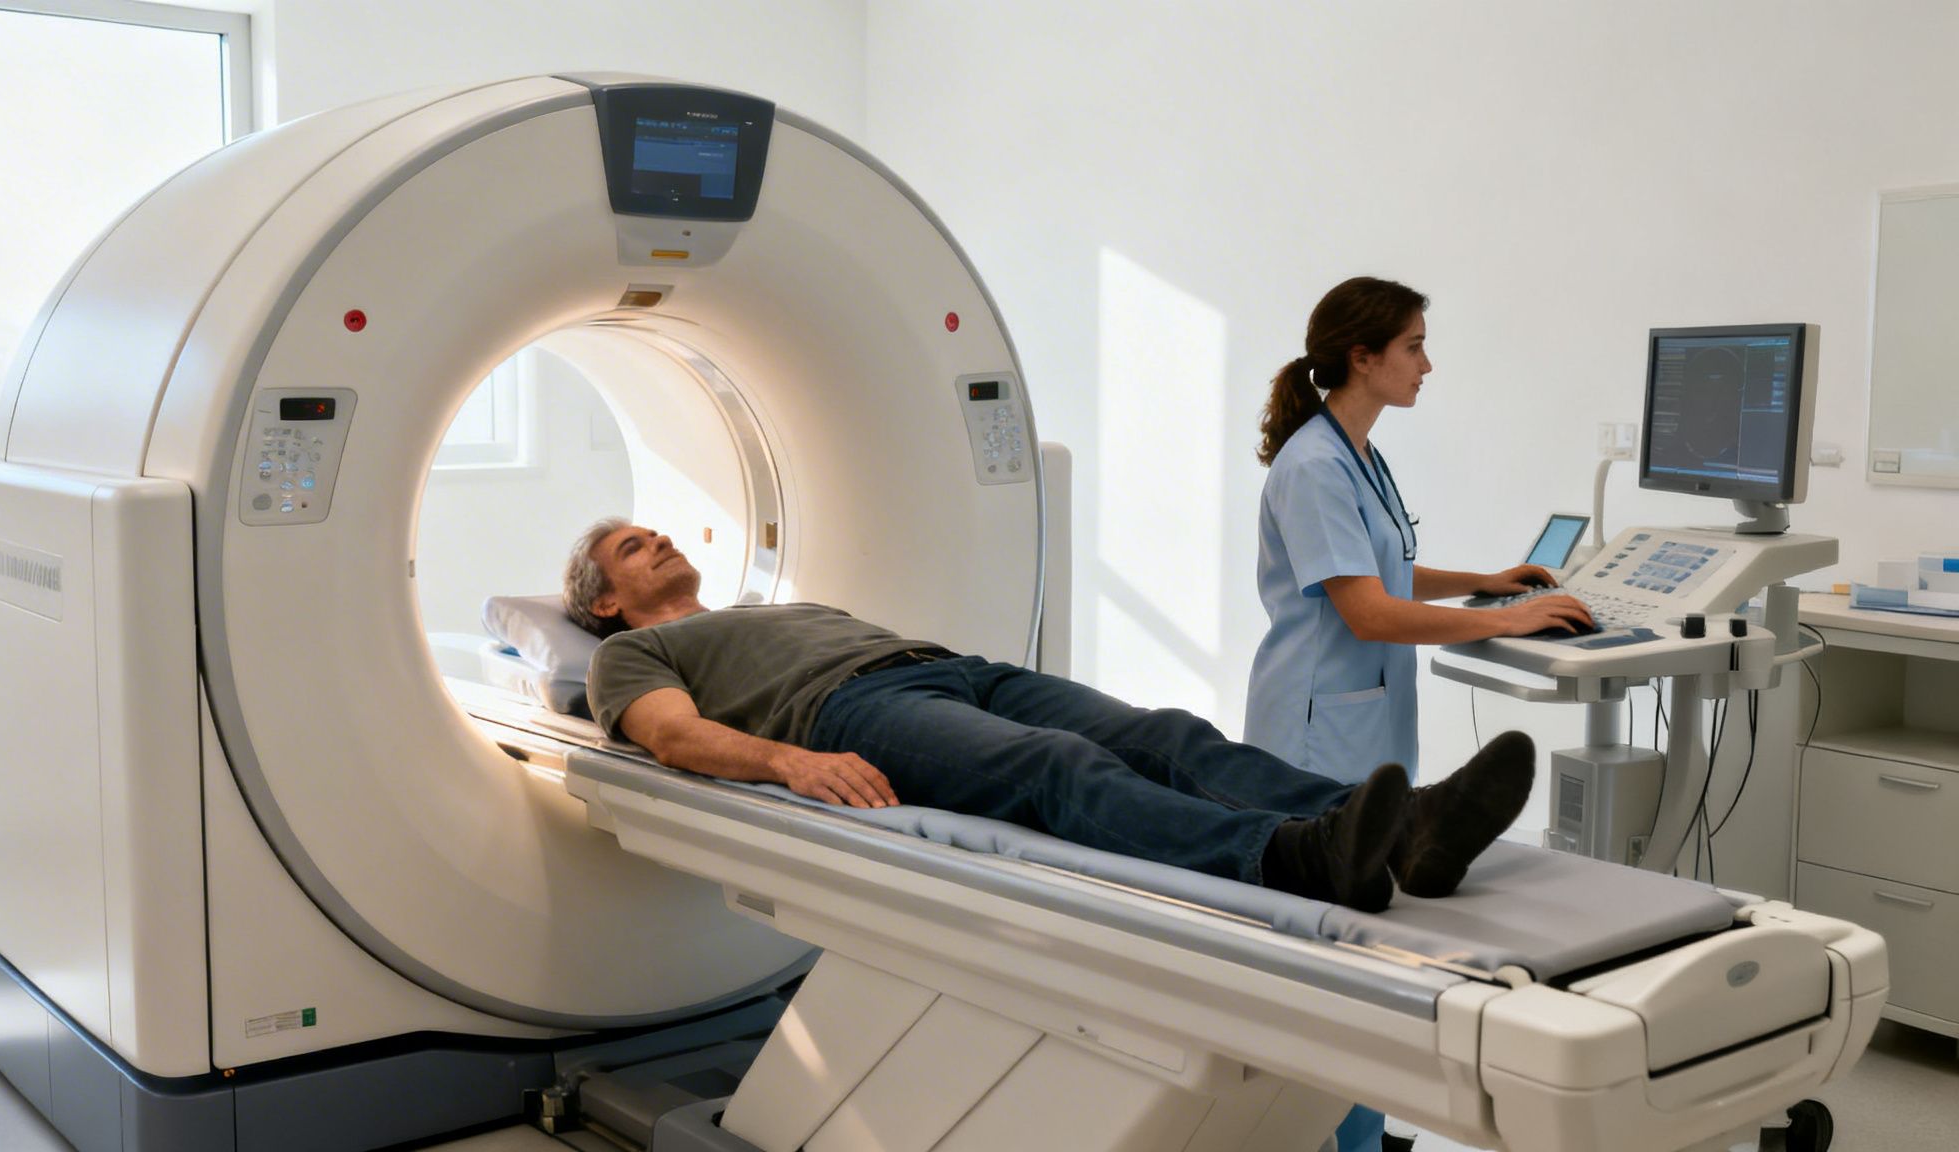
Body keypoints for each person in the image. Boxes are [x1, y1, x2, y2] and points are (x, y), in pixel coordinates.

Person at [564, 517, 1537, 914]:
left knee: (1166, 733)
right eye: (630, 549)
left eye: (652, 532)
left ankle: (1404, 833)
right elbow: (671, 736)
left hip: (951, 670)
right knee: (1056, 770)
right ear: (604, 600)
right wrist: (788, 764)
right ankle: (1297, 855)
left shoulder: (768, 607)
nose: (654, 541)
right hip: (848, 713)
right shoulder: (626, 653)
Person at [1244, 277, 1590, 1152]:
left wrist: (1487, 579)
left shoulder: (1358, 449)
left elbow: (1390, 572)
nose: (1427, 365)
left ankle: (1362, 1125)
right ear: (1364, 357)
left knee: (1367, 928)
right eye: (1413, 347)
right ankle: (1334, 1134)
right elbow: (1366, 612)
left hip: (1365, 717)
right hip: (1316, 725)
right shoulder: (1316, 465)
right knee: (1335, 938)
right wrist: (1504, 621)